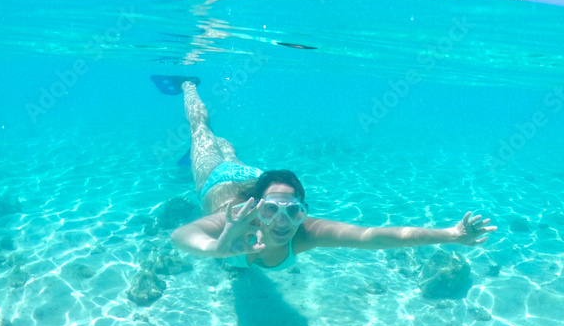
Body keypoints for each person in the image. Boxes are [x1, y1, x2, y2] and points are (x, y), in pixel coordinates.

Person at [153, 76, 497, 266]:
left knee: (227, 149)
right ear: (257, 207)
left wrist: (452, 234)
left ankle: (226, 148)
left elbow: (372, 237)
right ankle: (188, 84)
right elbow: (180, 237)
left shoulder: (307, 232)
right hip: (218, 182)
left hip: (252, 176)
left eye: (294, 211)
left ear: (304, 211)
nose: (283, 222)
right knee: (202, 132)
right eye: (271, 210)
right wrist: (217, 247)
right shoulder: (237, 218)